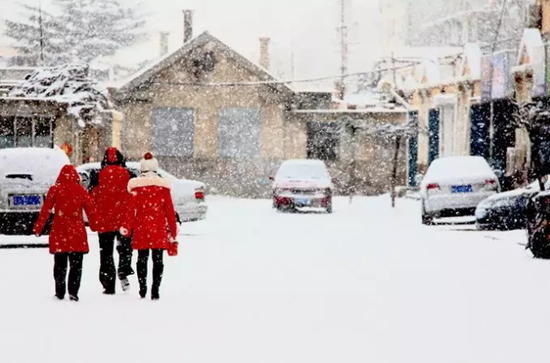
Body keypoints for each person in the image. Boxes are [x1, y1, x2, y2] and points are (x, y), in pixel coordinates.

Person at [34, 165, 96, 302]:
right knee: (76, 265)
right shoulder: (81, 190)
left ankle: (59, 291)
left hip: (59, 230)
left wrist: (38, 228)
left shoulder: (55, 190)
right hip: (77, 232)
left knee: (60, 264)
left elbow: (46, 210)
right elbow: (90, 210)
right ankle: (73, 291)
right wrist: (94, 225)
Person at [121, 152, 178, 300]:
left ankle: (142, 287)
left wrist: (127, 228)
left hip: (141, 228)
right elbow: (170, 213)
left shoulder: (136, 188)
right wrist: (173, 232)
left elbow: (130, 211)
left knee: (142, 258)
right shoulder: (163, 189)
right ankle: (155, 289)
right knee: (158, 260)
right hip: (158, 228)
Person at [90, 147, 134, 294]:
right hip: (124, 220)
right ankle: (123, 268)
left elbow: (92, 196)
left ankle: (108, 284)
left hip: (105, 220)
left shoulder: (97, 175)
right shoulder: (129, 174)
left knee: (106, 253)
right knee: (125, 248)